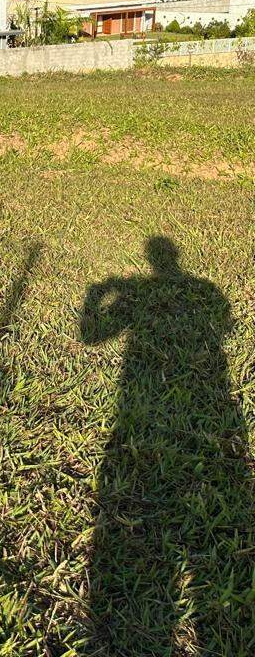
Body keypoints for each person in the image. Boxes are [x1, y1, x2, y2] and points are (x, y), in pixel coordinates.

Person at [81, 236, 254, 654]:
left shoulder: (146, 292)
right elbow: (226, 328)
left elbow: (92, 336)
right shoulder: (206, 290)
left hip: (142, 403)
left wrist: (94, 297)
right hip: (210, 401)